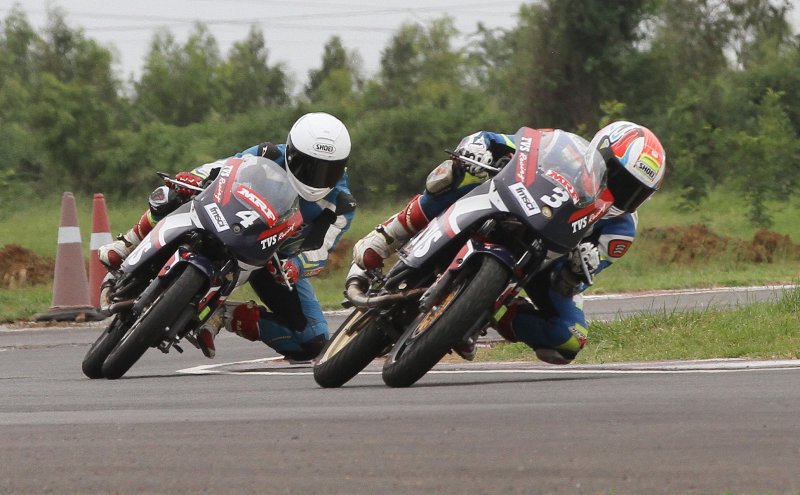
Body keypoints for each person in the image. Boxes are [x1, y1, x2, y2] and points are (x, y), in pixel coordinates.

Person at [352, 121, 666, 364]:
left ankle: (487, 313)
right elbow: (504, 141)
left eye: (634, 192)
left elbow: (572, 286)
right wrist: (479, 148)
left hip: (543, 262)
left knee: (570, 339)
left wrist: (577, 269)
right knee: (452, 175)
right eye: (619, 178)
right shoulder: (563, 146)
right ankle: (388, 234)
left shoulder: (620, 230)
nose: (621, 194)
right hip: (509, 203)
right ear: (601, 152)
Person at [99, 112, 357, 362]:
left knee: (313, 339)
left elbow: (322, 250)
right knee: (172, 192)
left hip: (274, 259)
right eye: (308, 165)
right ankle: (127, 243)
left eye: (328, 171)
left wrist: (296, 267)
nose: (316, 176)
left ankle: (224, 315)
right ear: (292, 152)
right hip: (225, 215)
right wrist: (196, 177)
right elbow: (226, 166)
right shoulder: (270, 154)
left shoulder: (342, 204)